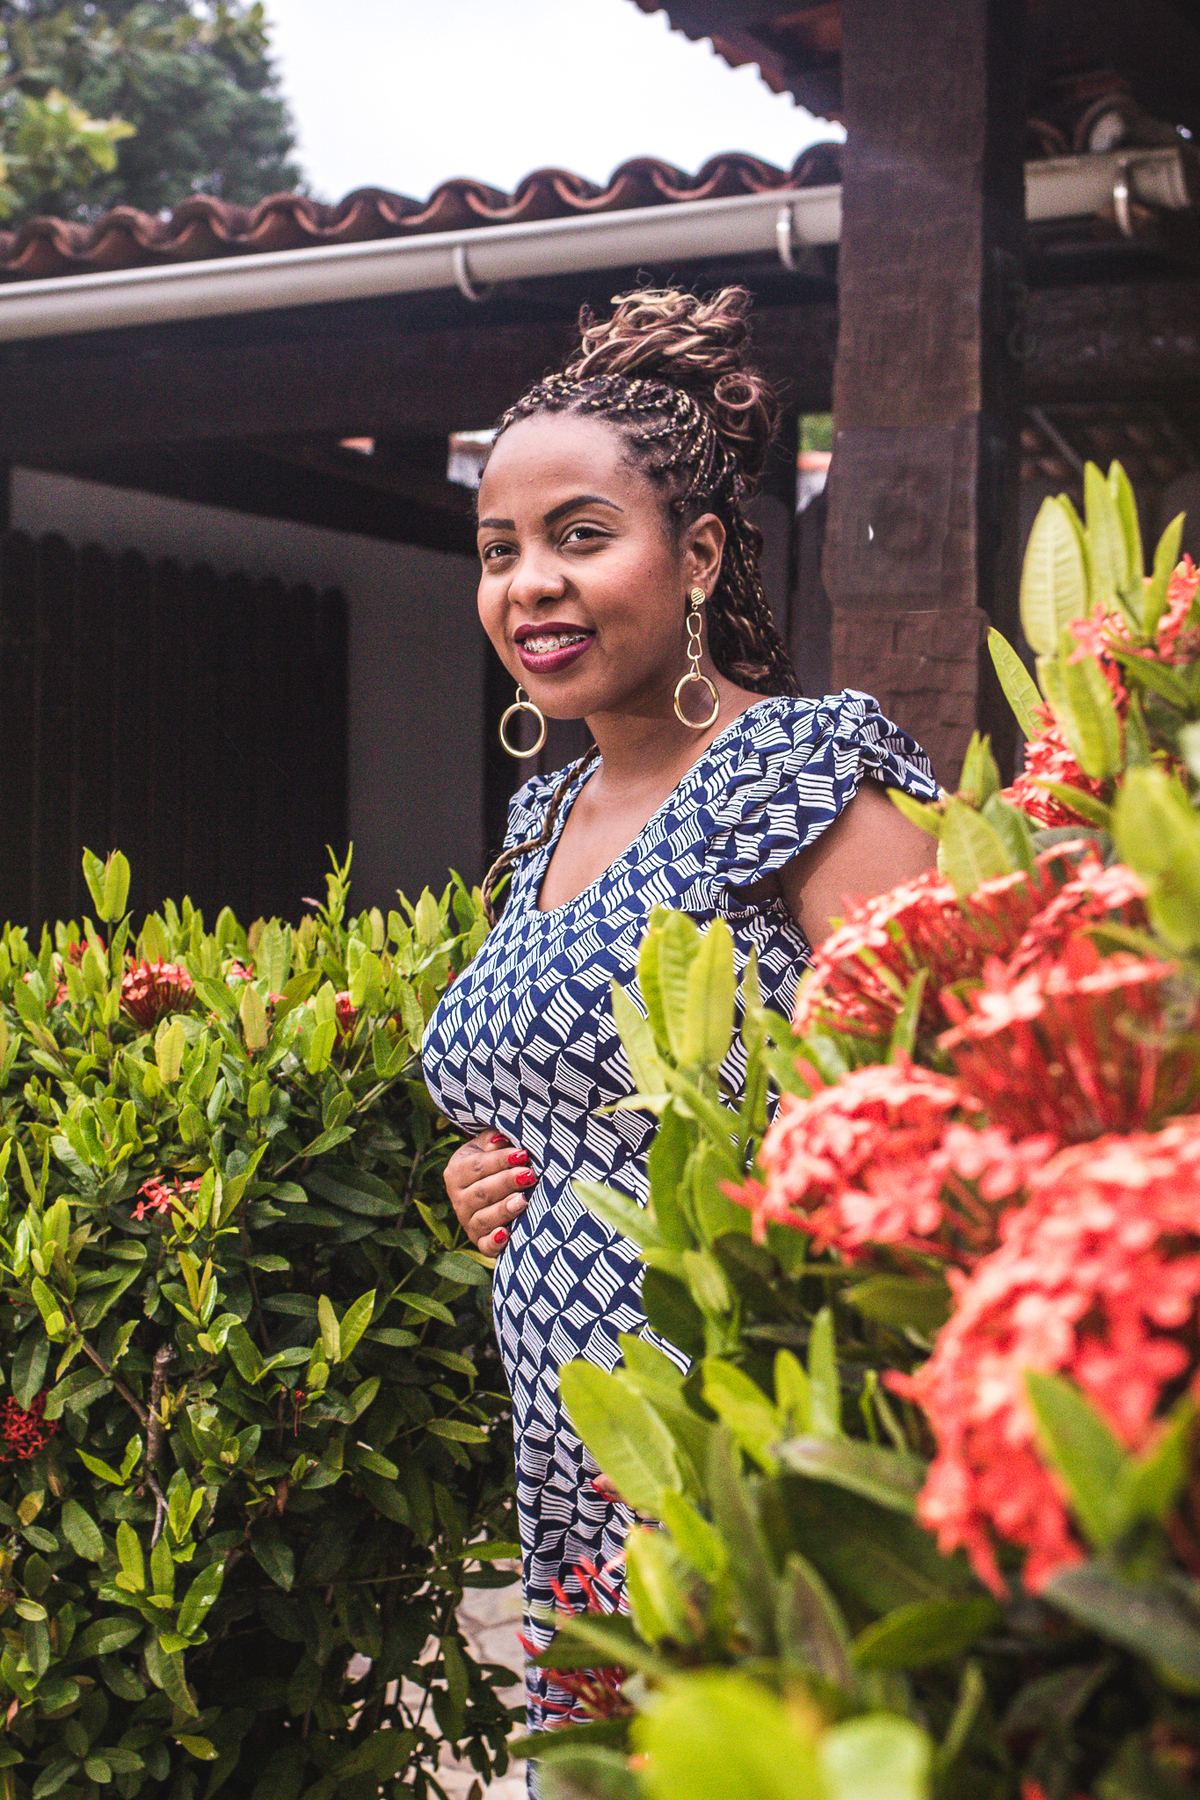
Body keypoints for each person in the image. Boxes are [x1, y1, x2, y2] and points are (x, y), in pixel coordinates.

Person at [420, 286, 939, 1738]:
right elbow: (561, 1087)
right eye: (500, 551)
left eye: (581, 536)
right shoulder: (542, 818)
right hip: (576, 1456)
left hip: (747, 1427)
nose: (530, 585)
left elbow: (939, 1098)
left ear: (699, 553)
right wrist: (486, 1172)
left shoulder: (799, 773)